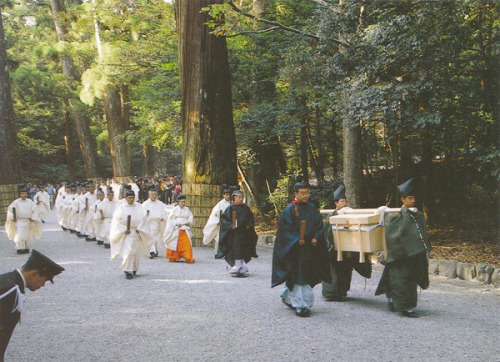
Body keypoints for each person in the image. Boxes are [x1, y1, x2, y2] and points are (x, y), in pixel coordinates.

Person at [271, 182, 331, 317]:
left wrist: (316, 236)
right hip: (295, 250)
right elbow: (285, 230)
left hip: (309, 248)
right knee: (298, 276)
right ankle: (301, 305)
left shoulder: (312, 208)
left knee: (306, 274)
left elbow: (318, 224)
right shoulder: (290, 210)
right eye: (302, 193)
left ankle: (287, 296)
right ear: (296, 194)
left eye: (307, 193)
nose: (305, 196)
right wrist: (297, 239)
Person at [375, 178, 431, 318]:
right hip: (400, 256)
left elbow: (421, 233)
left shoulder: (417, 215)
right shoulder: (397, 216)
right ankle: (403, 306)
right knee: (400, 280)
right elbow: (392, 234)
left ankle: (401, 302)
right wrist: (403, 249)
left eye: (414, 198)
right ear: (403, 199)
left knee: (409, 281)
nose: (412, 201)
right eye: (409, 198)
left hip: (413, 256)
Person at [0, 249, 64, 360]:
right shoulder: (11, 289)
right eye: (44, 280)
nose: (43, 285)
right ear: (34, 273)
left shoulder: (11, 281)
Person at [321, 185, 372, 301]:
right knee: (333, 271)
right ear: (336, 203)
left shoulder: (350, 215)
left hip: (347, 249)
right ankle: (331, 294)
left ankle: (342, 291)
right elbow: (327, 233)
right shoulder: (332, 216)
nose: (344, 203)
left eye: (345, 201)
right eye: (341, 201)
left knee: (346, 270)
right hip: (333, 250)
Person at [109, 190, 152, 279]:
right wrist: (124, 229)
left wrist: (140, 228)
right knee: (128, 250)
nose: (131, 199)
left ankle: (134, 268)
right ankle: (127, 269)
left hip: (138, 230)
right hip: (128, 232)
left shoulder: (140, 207)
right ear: (125, 198)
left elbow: (145, 219)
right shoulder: (121, 208)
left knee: (136, 251)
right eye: (129, 198)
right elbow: (117, 221)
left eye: (133, 197)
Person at [216, 190, 258, 276]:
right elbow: (224, 220)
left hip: (244, 233)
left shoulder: (246, 208)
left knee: (244, 249)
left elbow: (251, 218)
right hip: (234, 234)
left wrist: (249, 226)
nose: (241, 199)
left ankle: (242, 267)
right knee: (235, 249)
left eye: (242, 197)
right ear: (235, 197)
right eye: (239, 197)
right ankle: (234, 266)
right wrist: (231, 226)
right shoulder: (231, 208)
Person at [5, 188, 42, 254]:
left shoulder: (30, 202)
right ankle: (19, 248)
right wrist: (13, 217)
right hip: (19, 221)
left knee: (26, 234)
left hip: (27, 220)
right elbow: (10, 210)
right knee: (19, 234)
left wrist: (33, 217)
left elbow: (35, 210)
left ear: (27, 194)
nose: (24, 195)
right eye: (22, 193)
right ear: (20, 194)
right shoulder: (16, 202)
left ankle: (25, 247)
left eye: (25, 193)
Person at [163, 195, 195, 263]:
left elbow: (190, 217)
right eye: (182, 202)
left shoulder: (187, 209)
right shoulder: (174, 209)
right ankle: (173, 256)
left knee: (186, 243)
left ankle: (188, 257)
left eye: (184, 202)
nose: (183, 203)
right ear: (178, 202)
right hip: (176, 228)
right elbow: (171, 218)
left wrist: (189, 222)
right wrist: (176, 224)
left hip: (184, 228)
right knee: (174, 243)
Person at [142, 188, 169, 259]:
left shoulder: (160, 204)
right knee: (151, 236)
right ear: (149, 195)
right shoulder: (145, 204)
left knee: (158, 237)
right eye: (152, 194)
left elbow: (164, 213)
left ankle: (155, 250)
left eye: (155, 194)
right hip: (149, 223)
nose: (154, 196)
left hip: (158, 223)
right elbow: (142, 215)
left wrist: (163, 218)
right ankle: (152, 251)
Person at [202, 188, 232, 253]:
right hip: (222, 222)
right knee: (219, 237)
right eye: (226, 195)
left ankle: (228, 252)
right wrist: (218, 221)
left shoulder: (231, 204)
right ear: (224, 195)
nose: (228, 196)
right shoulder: (220, 204)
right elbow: (215, 213)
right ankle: (218, 252)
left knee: (229, 237)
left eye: (229, 195)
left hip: (229, 223)